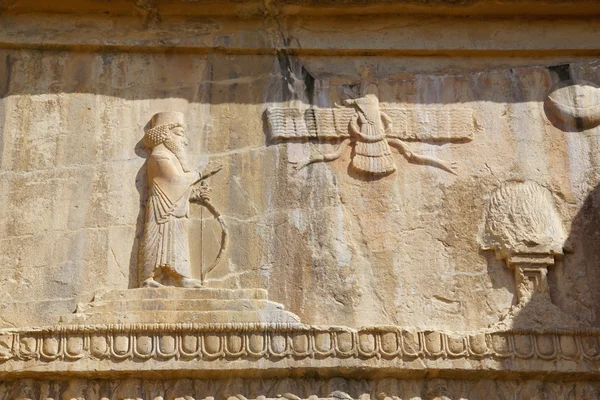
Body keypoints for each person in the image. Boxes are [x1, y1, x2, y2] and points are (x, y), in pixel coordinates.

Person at [138, 112, 220, 288]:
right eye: (180, 134)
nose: (185, 141)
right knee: (156, 239)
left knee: (178, 242)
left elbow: (179, 188)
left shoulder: (171, 158)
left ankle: (180, 276)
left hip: (175, 208)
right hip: (162, 208)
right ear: (165, 134)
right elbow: (174, 181)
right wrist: (201, 173)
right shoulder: (159, 157)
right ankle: (149, 278)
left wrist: (196, 195)